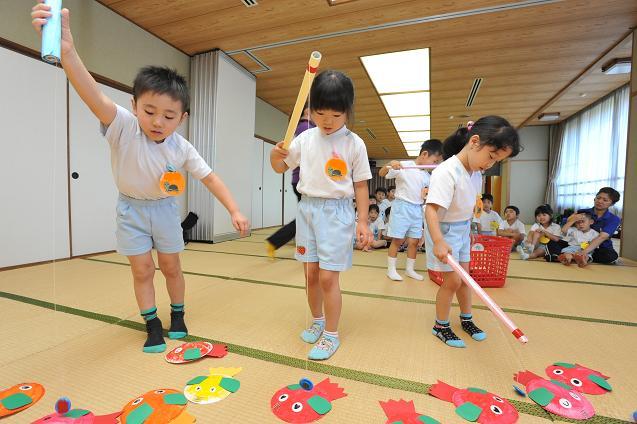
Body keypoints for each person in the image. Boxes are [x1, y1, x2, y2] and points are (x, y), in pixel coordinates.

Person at [31, 2, 249, 353]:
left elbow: (210, 178)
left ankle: (177, 314)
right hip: (130, 210)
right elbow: (92, 93)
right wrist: (68, 52)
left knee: (171, 266)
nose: (158, 121)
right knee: (142, 270)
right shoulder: (123, 126)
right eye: (149, 111)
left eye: (169, 116)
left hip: (164, 209)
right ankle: (152, 324)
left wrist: (234, 210)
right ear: (134, 106)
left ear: (182, 118)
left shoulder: (182, 147)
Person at [270, 70, 373, 360]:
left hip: (336, 213)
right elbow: (280, 167)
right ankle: (317, 320)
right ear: (311, 109)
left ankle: (331, 334)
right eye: (320, 113)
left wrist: (362, 221)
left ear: (348, 112)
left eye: (336, 115)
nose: (328, 121)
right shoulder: (305, 138)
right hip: (307, 209)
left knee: (328, 278)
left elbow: (361, 185)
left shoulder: (354, 143)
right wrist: (274, 155)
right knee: (310, 274)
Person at [425, 117, 520, 348]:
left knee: (466, 280)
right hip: (444, 231)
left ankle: (466, 319)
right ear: (475, 141)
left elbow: (468, 205)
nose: (490, 164)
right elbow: (431, 210)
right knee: (452, 281)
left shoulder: (476, 173)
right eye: (491, 156)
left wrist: (468, 228)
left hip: (461, 229)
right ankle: (440, 325)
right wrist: (438, 241)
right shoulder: (446, 171)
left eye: (496, 161)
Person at [380, 139, 443, 281]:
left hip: (417, 209)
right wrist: (390, 164)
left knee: (414, 241)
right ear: (425, 154)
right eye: (434, 161)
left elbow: (426, 194)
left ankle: (410, 270)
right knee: (398, 240)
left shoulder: (427, 176)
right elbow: (382, 173)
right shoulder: (404, 165)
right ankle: (391, 270)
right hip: (402, 207)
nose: (434, 165)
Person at [265, 106, 315, 256]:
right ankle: (275, 241)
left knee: (309, 216)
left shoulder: (303, 127)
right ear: (307, 112)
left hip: (300, 179)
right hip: (304, 181)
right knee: (308, 217)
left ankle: (278, 242)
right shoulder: (306, 127)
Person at [545, 187, 621, 264]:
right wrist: (572, 219)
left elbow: (602, 237)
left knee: (611, 256)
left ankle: (566, 256)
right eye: (598, 198)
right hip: (575, 244)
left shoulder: (614, 219)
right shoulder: (583, 212)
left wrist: (583, 252)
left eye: (605, 200)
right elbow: (566, 226)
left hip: (598, 248)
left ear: (612, 204)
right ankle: (575, 257)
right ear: (595, 198)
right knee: (552, 241)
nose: (600, 201)